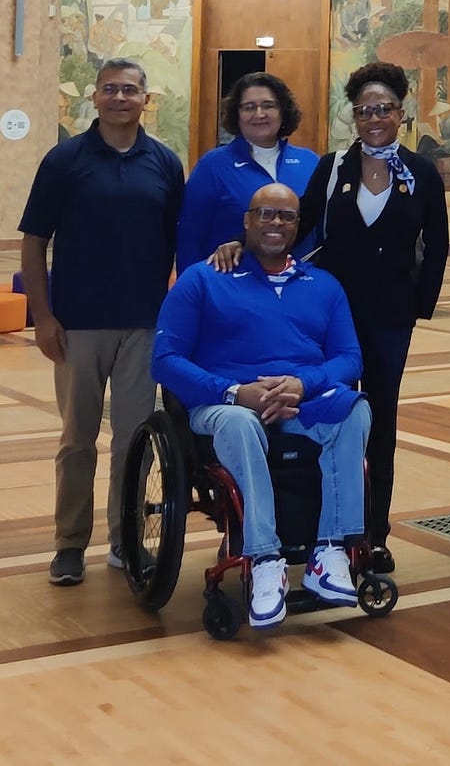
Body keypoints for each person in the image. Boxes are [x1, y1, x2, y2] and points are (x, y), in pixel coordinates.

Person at [154, 183, 370, 630]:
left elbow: (350, 358)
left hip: (300, 402)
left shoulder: (323, 285)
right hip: (224, 402)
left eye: (287, 217)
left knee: (355, 409)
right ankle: (264, 556)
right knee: (237, 422)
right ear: (247, 221)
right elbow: (165, 360)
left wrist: (301, 384)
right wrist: (235, 392)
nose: (276, 224)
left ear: (297, 226)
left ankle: (329, 551)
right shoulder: (203, 278)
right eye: (266, 214)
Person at [19, 58, 184, 587]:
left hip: (142, 326)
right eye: (110, 89)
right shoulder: (65, 160)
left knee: (135, 438)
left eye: (129, 90)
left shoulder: (164, 162)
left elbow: (178, 243)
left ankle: (126, 539)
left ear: (145, 99)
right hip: (77, 326)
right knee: (77, 440)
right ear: (95, 97)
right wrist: (42, 317)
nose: (119, 98)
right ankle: (69, 545)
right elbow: (33, 242)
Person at [298, 62, 449, 573]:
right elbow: (297, 226)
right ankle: (323, 530)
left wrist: (417, 305)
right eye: (363, 111)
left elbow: (439, 245)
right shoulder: (332, 167)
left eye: (383, 108)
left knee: (380, 423)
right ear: (353, 117)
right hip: (331, 318)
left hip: (389, 319)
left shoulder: (422, 174)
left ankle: (372, 534)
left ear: (401, 113)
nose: (374, 118)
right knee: (329, 414)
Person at [176, 72, 320, 271]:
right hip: (231, 289)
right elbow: (191, 237)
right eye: (249, 107)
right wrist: (191, 290)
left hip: (298, 287)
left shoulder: (310, 162)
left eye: (268, 105)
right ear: (237, 114)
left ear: (283, 111)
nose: (259, 114)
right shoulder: (213, 165)